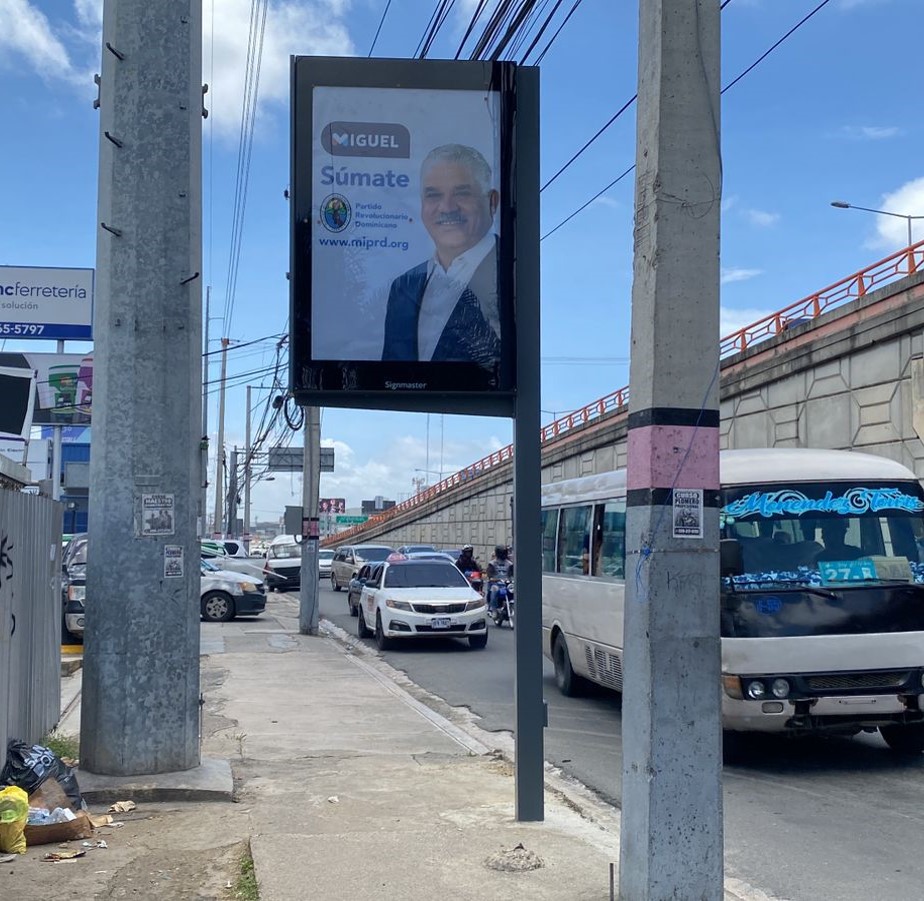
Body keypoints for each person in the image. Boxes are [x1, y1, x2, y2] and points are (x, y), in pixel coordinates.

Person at [382, 144, 501, 366]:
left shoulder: (514, 273)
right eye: (433, 195)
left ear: (491, 202)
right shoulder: (403, 287)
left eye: (462, 193)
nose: (446, 207)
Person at [486, 544, 514, 612]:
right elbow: (490, 575)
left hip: (506, 584)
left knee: (513, 590)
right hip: (496, 584)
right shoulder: (492, 563)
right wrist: (494, 579)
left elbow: (512, 575)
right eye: (502, 552)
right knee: (494, 589)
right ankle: (493, 609)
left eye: (504, 552)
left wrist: (512, 580)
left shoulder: (510, 564)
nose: (503, 554)